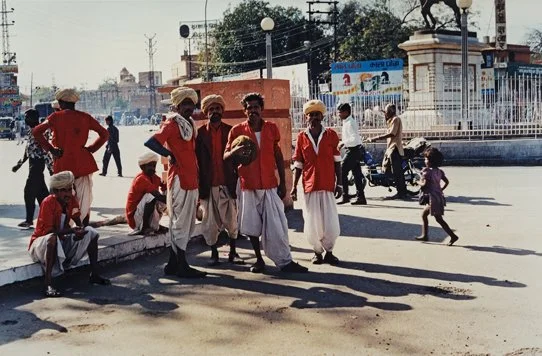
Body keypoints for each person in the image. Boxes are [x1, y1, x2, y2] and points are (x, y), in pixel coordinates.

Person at [223, 92, 308, 274]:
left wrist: (283, 183)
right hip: (248, 184)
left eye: (256, 107)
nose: (253, 110)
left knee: (278, 225)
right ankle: (259, 260)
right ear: (245, 110)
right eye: (249, 107)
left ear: (261, 109)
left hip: (270, 184)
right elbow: (226, 157)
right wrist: (235, 151)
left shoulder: (271, 128)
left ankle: (285, 261)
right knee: (252, 226)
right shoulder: (236, 131)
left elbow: (277, 154)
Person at [144, 86, 206, 278]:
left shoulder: (189, 124)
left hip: (191, 178)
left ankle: (173, 264)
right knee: (180, 224)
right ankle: (182, 266)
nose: (189, 107)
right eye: (185, 104)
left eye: (191, 104)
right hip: (179, 180)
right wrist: (169, 154)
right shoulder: (172, 124)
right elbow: (151, 142)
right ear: (177, 106)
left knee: (185, 224)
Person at [33, 88, 109, 226]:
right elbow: (105, 134)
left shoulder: (55, 117)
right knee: (85, 200)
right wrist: (91, 149)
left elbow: (36, 132)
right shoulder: (85, 117)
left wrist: (51, 149)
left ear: (61, 102)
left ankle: (63, 229)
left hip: (63, 162)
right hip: (83, 164)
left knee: (62, 200)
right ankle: (84, 229)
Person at [28, 171, 110, 298]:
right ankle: (48, 284)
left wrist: (80, 232)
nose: (68, 193)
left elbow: (78, 222)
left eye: (69, 189)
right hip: (41, 245)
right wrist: (72, 231)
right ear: (55, 191)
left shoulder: (72, 200)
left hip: (61, 239)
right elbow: (49, 232)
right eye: (63, 190)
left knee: (92, 233)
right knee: (52, 238)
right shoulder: (48, 202)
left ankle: (94, 274)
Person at [291, 100, 342, 265]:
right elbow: (298, 164)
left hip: (327, 185)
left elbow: (337, 162)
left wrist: (339, 184)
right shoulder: (301, 137)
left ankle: (329, 251)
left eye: (316, 114)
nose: (314, 117)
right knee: (312, 221)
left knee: (330, 221)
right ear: (306, 117)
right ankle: (317, 252)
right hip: (309, 185)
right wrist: (293, 187)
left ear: (322, 116)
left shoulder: (331, 135)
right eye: (310, 114)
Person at [195, 94, 243, 266]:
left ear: (222, 111)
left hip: (228, 183)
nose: (214, 112)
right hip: (208, 185)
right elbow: (196, 160)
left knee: (232, 221)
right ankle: (214, 254)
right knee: (210, 223)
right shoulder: (199, 135)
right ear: (206, 112)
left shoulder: (231, 131)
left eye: (217, 109)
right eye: (211, 109)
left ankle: (233, 252)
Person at [12, 109, 53, 228]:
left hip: (37, 165)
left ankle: (29, 220)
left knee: (29, 192)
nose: (25, 120)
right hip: (32, 164)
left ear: (34, 118)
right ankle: (49, 219)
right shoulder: (31, 131)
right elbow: (28, 150)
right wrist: (19, 164)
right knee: (42, 195)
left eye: (27, 117)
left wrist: (51, 169)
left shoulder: (41, 131)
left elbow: (46, 150)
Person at [416, 147, 459, 246]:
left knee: (438, 219)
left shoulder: (427, 171)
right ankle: (425, 235)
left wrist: (418, 181)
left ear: (430, 161)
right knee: (425, 215)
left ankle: (452, 236)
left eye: (426, 159)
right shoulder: (439, 172)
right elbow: (447, 182)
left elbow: (424, 184)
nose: (425, 160)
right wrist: (440, 190)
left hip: (433, 199)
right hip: (438, 197)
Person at [367, 103, 407, 199]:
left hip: (395, 149)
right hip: (391, 149)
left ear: (391, 112)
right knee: (391, 171)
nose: (385, 114)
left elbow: (392, 133)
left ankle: (402, 193)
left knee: (398, 172)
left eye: (386, 112)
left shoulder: (396, 119)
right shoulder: (391, 120)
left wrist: (375, 138)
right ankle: (400, 190)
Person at [125, 152, 167, 235]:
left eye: (154, 166)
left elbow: (165, 186)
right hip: (135, 218)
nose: (152, 168)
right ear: (143, 167)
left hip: (142, 213)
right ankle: (145, 227)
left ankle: (154, 225)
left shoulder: (155, 177)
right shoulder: (141, 179)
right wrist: (174, 201)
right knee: (152, 196)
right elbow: (157, 195)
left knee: (166, 196)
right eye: (150, 166)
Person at [337, 103, 367, 205]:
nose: (339, 114)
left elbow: (354, 139)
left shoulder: (350, 123)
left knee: (342, 170)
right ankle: (361, 197)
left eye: (340, 112)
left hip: (353, 150)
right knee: (357, 174)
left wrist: (343, 143)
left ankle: (345, 196)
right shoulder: (347, 122)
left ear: (346, 112)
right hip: (354, 150)